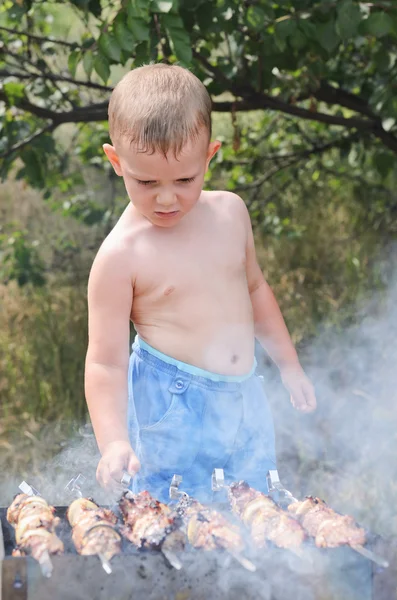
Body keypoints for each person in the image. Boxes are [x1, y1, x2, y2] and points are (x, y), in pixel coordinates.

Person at [85, 63, 316, 503]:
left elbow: (255, 291)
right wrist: (113, 442)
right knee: (174, 517)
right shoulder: (120, 257)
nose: (167, 198)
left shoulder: (231, 213)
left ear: (209, 156)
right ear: (116, 162)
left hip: (245, 401)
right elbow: (105, 365)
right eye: (147, 181)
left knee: (254, 507)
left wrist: (289, 366)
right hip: (175, 411)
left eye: (185, 180)